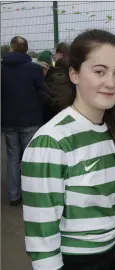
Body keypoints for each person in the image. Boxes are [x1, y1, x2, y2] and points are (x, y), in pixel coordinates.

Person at [21, 29, 115, 270]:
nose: (111, 83)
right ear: (74, 74)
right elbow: (41, 239)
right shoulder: (51, 142)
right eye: (100, 71)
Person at [1, 36, 46, 206]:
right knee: (29, 157)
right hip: (31, 118)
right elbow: (43, 91)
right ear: (26, 49)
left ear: (11, 48)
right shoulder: (34, 69)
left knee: (12, 157)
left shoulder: (2, 69)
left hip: (8, 120)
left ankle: (14, 196)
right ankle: (31, 194)